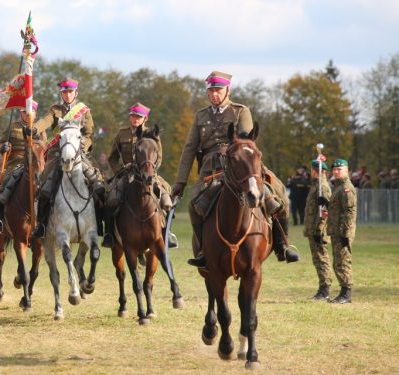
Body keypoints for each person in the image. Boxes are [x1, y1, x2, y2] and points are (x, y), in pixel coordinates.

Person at [171, 70, 300, 268]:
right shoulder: (200, 116)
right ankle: (204, 249)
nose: (214, 94)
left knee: (278, 193)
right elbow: (190, 148)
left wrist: (231, 148)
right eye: (211, 90)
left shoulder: (241, 111)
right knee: (194, 204)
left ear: (227, 91)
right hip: (212, 169)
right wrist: (180, 181)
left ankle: (282, 244)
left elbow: (246, 138)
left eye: (218, 90)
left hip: (242, 163)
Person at [30, 78, 105, 240]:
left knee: (97, 185)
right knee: (45, 189)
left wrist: (81, 145)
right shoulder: (55, 110)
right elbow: (45, 121)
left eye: (70, 92)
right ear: (61, 94)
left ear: (75, 93)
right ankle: (41, 225)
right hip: (58, 155)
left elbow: (89, 133)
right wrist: (34, 128)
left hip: (78, 154)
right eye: (64, 92)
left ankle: (99, 224)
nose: (67, 94)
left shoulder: (83, 111)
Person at [102, 103, 174, 247]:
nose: (135, 119)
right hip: (126, 174)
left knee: (166, 201)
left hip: (148, 174)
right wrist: (120, 170)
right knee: (110, 199)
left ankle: (167, 234)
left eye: (139, 117)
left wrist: (151, 170)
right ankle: (110, 235)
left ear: (145, 118)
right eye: (133, 116)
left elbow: (158, 157)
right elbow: (112, 158)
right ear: (130, 117)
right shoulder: (122, 134)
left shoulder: (152, 134)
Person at [0, 102, 44, 234]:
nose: (27, 115)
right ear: (21, 113)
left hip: (36, 166)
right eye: (25, 112)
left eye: (30, 112)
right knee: (1, 186)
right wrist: (3, 147)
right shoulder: (12, 127)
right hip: (16, 163)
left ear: (35, 114)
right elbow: (0, 143)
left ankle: (46, 221)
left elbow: (44, 148)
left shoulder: (41, 129)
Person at [325, 159, 357, 304]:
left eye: (340, 169)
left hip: (342, 231)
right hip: (336, 231)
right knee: (338, 261)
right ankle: (343, 291)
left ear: (347, 171)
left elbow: (349, 212)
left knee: (343, 261)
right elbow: (337, 209)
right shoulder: (337, 187)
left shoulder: (346, 188)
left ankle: (346, 293)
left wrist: (345, 233)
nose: (336, 171)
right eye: (335, 170)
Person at [304, 159, 332, 301]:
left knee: (321, 259)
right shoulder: (316, 186)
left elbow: (324, 210)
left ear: (317, 171)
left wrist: (319, 230)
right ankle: (322, 287)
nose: (311, 172)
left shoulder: (322, 187)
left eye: (312, 169)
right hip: (313, 230)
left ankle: (325, 289)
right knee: (318, 260)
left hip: (318, 231)